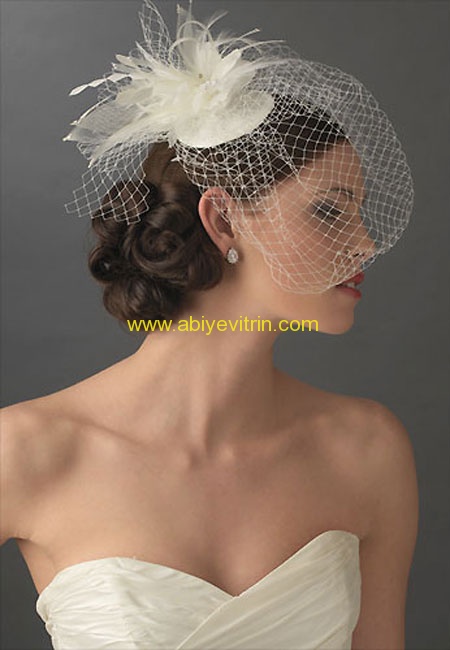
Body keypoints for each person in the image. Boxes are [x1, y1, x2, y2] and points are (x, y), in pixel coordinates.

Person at [1, 1, 419, 648]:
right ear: (223, 221)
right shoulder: (25, 451)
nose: (365, 243)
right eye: (331, 212)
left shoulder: (366, 451)